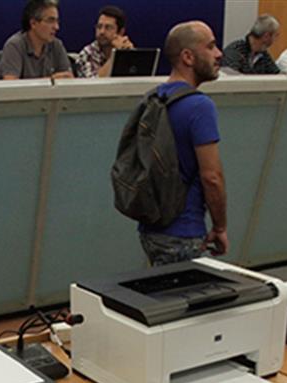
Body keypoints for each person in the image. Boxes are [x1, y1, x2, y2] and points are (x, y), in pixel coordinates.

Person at [138, 21, 227, 265]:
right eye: (210, 47)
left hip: (151, 229)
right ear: (188, 57)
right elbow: (212, 177)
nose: (219, 53)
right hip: (184, 231)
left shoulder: (153, 98)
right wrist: (220, 226)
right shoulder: (199, 106)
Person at [0, 0, 74, 80]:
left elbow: (69, 78)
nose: (56, 27)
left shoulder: (56, 45)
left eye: (57, 21)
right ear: (33, 23)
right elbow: (11, 83)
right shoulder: (14, 46)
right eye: (50, 21)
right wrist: (51, 80)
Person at [76, 5, 134, 78]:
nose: (102, 32)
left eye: (108, 27)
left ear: (120, 32)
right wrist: (115, 55)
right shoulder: (87, 54)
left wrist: (130, 55)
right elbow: (93, 82)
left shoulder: (126, 49)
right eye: (99, 26)